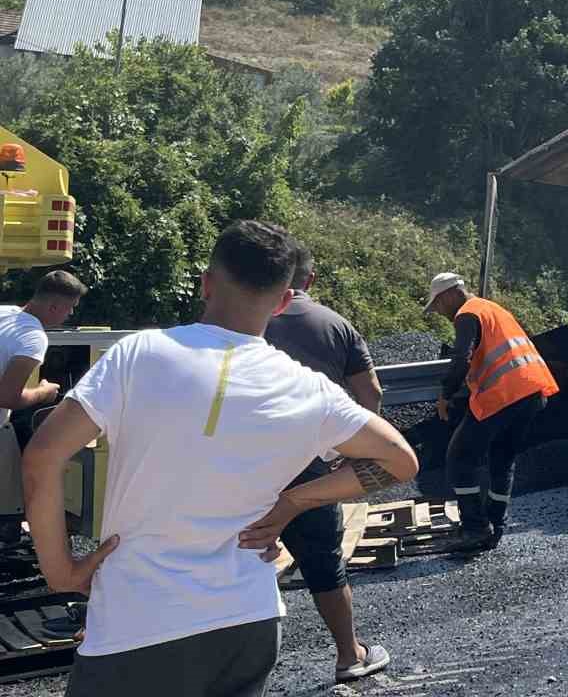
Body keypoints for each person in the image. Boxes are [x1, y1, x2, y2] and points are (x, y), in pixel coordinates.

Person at [22, 220, 418, 697]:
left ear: (207, 282)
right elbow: (400, 461)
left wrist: (61, 570)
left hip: (137, 624)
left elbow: (43, 456)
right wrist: (294, 502)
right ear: (284, 301)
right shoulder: (308, 389)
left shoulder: (140, 354)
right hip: (246, 623)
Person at [262, 241, 389, 683]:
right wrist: (351, 458)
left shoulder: (245, 320)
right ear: (309, 281)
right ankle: (348, 655)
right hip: (311, 466)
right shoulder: (336, 325)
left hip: (246, 463)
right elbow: (370, 394)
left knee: (239, 551)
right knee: (323, 561)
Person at [424, 272, 559, 553]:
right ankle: (495, 525)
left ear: (449, 295)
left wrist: (445, 395)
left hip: (504, 394)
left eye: (437, 305)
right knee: (502, 458)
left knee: (460, 458)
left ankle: (475, 528)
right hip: (532, 393)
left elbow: (462, 359)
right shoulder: (492, 308)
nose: (438, 312)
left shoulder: (467, 314)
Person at [0, 272, 83, 544]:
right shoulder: (33, 337)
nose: (69, 315)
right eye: (69, 308)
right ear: (54, 307)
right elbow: (7, 397)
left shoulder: (5, 313)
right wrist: (42, 393)